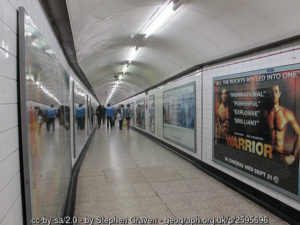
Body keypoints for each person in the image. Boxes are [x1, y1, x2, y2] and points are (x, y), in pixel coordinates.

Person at [264, 84, 300, 166]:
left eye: (276, 92)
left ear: (279, 94)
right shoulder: (265, 114)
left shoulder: (287, 114)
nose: (274, 95)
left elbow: (299, 134)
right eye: (272, 92)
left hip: (282, 158)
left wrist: (293, 156)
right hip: (267, 156)